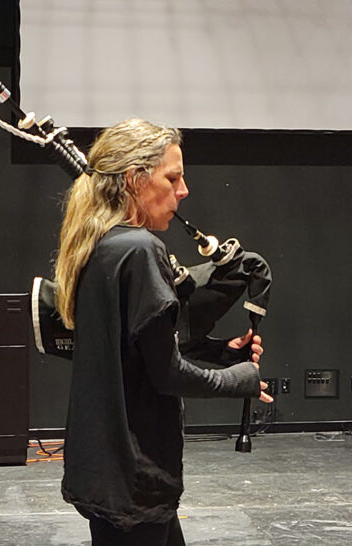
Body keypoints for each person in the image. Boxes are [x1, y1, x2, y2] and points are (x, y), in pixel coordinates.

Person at [54, 118, 273, 545]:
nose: (183, 190)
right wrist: (238, 379)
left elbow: (137, 353)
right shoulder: (140, 249)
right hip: (136, 474)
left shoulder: (101, 245)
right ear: (135, 180)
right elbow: (166, 374)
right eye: (172, 178)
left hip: (107, 470)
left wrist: (220, 352)